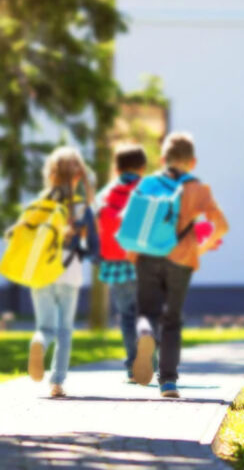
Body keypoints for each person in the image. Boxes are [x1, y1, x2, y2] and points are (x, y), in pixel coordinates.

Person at [132, 132, 228, 398]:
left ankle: (145, 335)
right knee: (172, 320)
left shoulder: (148, 185)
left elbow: (132, 226)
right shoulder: (198, 189)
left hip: (148, 256)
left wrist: (134, 255)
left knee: (147, 312)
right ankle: (169, 383)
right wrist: (202, 247)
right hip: (182, 259)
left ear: (163, 159)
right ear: (192, 162)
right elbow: (222, 226)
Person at [28, 146, 98, 397]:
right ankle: (57, 382)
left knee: (45, 327)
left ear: (51, 174)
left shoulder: (40, 205)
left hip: (40, 273)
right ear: (78, 175)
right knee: (65, 329)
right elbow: (93, 247)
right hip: (69, 272)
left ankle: (38, 343)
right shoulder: (81, 208)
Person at [96, 143, 147, 382]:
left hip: (116, 261)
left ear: (117, 168)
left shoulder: (106, 193)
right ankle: (150, 361)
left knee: (126, 315)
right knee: (147, 313)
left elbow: (92, 224)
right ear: (143, 167)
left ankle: (132, 366)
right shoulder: (149, 189)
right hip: (146, 261)